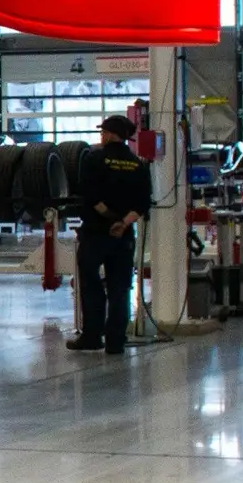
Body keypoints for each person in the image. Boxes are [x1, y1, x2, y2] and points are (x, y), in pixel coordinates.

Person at [71, 111, 151, 352]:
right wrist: (123, 223)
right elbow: (143, 203)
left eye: (103, 131)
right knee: (120, 287)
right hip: (123, 237)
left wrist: (110, 219)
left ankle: (92, 337)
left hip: (96, 233)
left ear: (109, 135)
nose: (101, 135)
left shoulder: (94, 160)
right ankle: (116, 341)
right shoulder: (137, 164)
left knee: (92, 284)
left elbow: (90, 196)